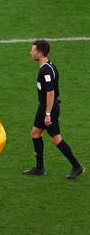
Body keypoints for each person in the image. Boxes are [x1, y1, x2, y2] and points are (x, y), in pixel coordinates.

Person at [24, 40, 84, 179]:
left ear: (40, 52)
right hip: (45, 107)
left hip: (48, 108)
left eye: (33, 50)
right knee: (35, 134)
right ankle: (39, 168)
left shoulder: (46, 71)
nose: (31, 52)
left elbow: (50, 93)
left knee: (56, 139)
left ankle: (76, 166)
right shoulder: (47, 67)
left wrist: (48, 114)